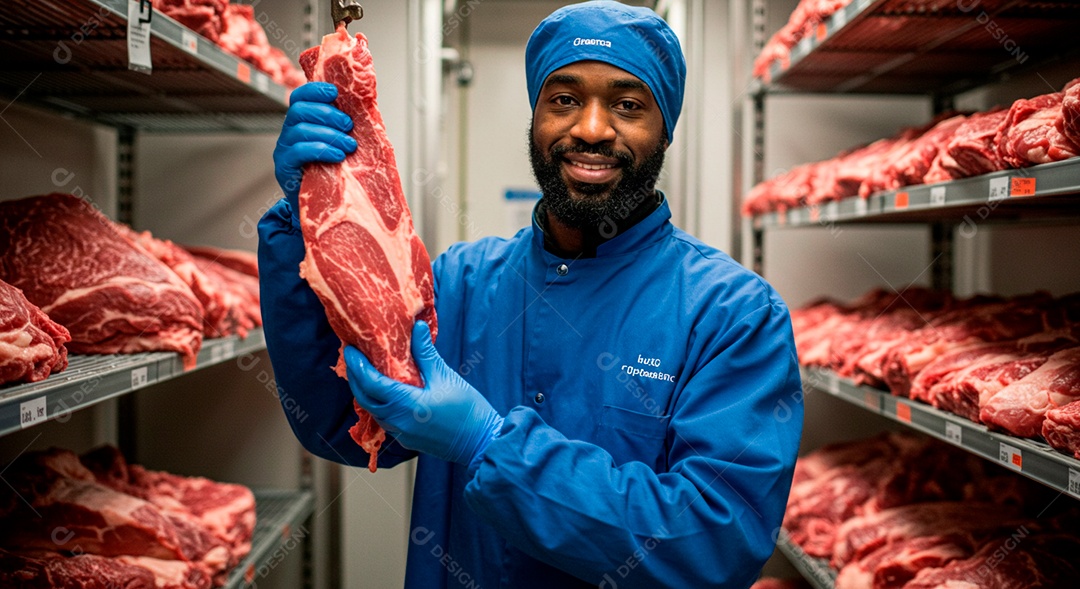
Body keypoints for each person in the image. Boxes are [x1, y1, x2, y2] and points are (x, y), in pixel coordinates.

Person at [260, 1, 803, 587]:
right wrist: (306, 219)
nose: (591, 130)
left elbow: (716, 542)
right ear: (536, 118)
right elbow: (343, 425)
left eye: (627, 104)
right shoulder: (462, 282)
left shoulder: (733, 314)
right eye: (564, 99)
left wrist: (488, 444)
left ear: (665, 128)